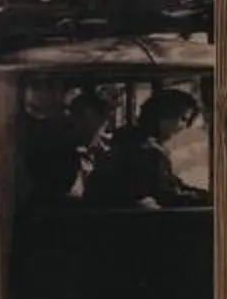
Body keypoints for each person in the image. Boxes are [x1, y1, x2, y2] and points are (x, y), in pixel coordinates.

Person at [81, 86, 210, 209]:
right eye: (182, 119)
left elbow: (172, 184)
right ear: (164, 116)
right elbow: (168, 196)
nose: (184, 126)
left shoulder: (130, 138)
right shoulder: (147, 151)